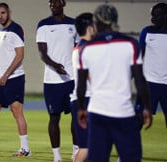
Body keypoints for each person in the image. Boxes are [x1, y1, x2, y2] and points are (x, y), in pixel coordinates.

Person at [77, 4, 153, 162]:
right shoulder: (131, 44)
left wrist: (80, 108)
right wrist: (146, 107)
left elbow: (82, 85)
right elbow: (140, 80)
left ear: (95, 22)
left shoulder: (86, 49)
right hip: (123, 113)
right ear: (114, 20)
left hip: (97, 113)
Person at [0, 2, 30, 157]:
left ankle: (25, 149)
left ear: (9, 12)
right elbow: (1, 58)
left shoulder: (16, 29)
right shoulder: (0, 32)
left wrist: (6, 75)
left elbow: (20, 55)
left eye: (2, 13)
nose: (0, 16)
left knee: (17, 112)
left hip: (14, 78)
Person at [36, 0, 79, 161]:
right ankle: (57, 156)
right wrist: (55, 66)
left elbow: (78, 48)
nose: (52, 4)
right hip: (52, 81)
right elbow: (42, 53)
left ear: (63, 3)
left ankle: (76, 152)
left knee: (76, 116)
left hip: (72, 79)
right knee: (54, 118)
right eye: (50, 2)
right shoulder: (43, 25)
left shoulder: (74, 24)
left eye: (56, 1)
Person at [135, 2, 167, 128]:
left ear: (165, 16)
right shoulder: (146, 32)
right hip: (148, 84)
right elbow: (138, 57)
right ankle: (130, 147)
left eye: (156, 15)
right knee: (138, 120)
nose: (152, 19)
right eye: (152, 15)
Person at [70, 12, 95, 162]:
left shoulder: (79, 47)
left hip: (82, 99)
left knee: (88, 146)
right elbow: (92, 76)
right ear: (90, 28)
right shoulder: (86, 49)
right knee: (87, 147)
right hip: (86, 100)